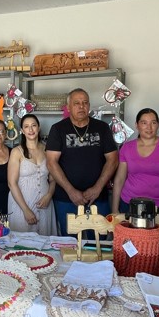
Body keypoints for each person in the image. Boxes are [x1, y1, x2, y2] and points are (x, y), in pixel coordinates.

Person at [46, 88, 118, 236]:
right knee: (70, 243)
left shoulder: (102, 128)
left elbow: (113, 159)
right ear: (68, 107)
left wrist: (97, 188)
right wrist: (71, 191)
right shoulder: (58, 129)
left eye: (85, 103)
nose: (81, 106)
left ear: (89, 106)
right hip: (66, 198)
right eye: (76, 103)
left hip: (98, 197)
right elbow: (51, 163)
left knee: (99, 242)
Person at [111, 108, 159, 216]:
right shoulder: (127, 147)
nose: (149, 127)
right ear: (137, 125)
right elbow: (119, 179)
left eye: (153, 123)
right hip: (129, 205)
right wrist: (115, 210)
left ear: (158, 125)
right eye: (144, 123)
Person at [7, 114, 56, 235]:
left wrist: (49, 195)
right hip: (22, 204)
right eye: (26, 126)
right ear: (22, 131)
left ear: (39, 128)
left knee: (45, 241)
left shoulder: (47, 150)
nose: (30, 129)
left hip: (45, 203)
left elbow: (53, 179)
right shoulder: (16, 152)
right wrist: (25, 210)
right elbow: (12, 183)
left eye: (33, 125)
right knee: (22, 241)